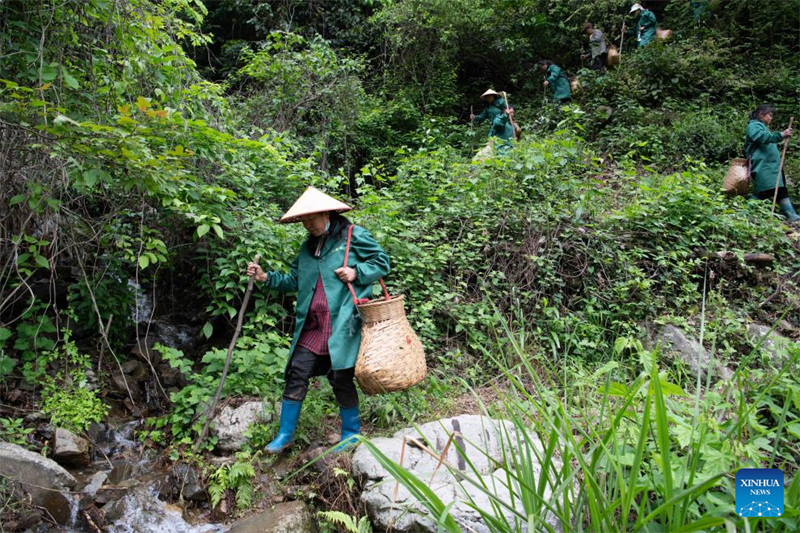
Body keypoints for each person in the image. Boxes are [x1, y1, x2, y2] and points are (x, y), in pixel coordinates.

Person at [246, 186, 391, 453]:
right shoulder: (307, 248)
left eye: (311, 219)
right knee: (296, 372)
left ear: (326, 213)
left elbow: (382, 261)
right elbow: (294, 280)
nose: (307, 225)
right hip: (312, 326)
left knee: (340, 378)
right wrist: (266, 278)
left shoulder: (352, 236)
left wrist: (356, 271)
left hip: (343, 324)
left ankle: (350, 436)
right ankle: (285, 435)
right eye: (303, 221)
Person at [744, 105, 799, 223]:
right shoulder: (754, 126)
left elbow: (768, 139)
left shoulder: (762, 127)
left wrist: (781, 136)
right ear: (761, 114)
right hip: (763, 167)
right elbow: (761, 137)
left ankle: (793, 216)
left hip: (770, 168)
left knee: (780, 190)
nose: (771, 118)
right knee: (764, 191)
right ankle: (743, 213)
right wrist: (781, 135)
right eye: (769, 115)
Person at [470, 89, 516, 154]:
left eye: (490, 96)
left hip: (503, 122)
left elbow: (509, 108)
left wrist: (510, 110)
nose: (488, 98)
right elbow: (482, 117)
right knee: (492, 142)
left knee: (507, 139)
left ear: (493, 96)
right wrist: (474, 117)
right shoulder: (487, 108)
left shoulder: (501, 101)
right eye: (487, 97)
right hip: (494, 125)